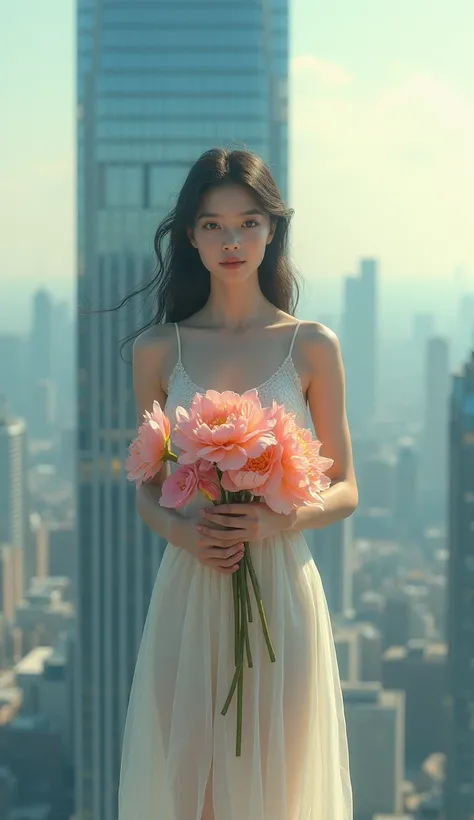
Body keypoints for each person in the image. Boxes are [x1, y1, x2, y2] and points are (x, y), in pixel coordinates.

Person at [117, 147, 358, 820]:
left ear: (272, 230)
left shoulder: (311, 345)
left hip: (280, 590)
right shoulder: (157, 350)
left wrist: (278, 520)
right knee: (193, 796)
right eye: (213, 224)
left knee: (276, 797)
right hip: (189, 593)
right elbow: (146, 481)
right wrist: (181, 530)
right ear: (190, 234)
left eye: (248, 222)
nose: (231, 240)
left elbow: (345, 487)